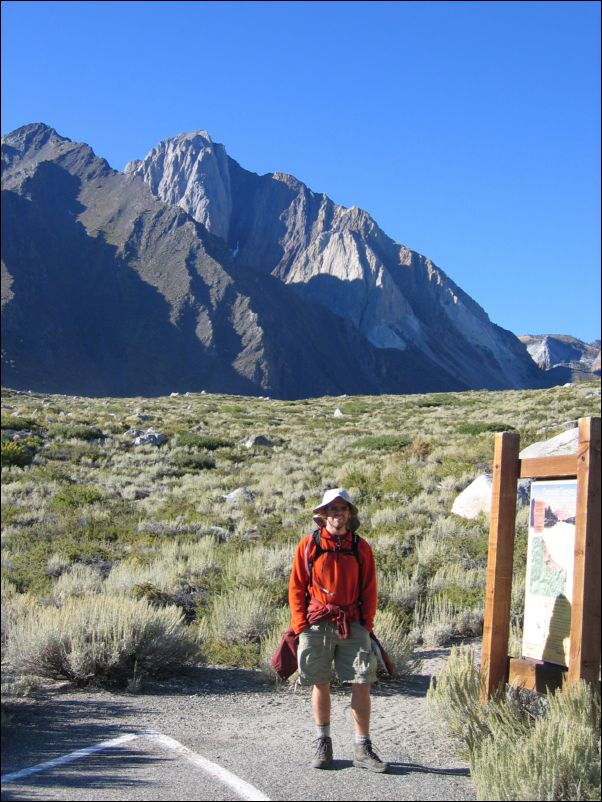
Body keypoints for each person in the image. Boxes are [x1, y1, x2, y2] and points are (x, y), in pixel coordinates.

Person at [288, 488, 389, 773]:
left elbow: (369, 589)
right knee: (320, 681)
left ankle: (362, 746)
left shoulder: (361, 547)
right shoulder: (309, 544)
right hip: (317, 622)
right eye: (332, 509)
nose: (337, 513)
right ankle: (323, 743)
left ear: (349, 513)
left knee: (362, 681)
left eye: (342, 508)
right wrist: (301, 624)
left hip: (352, 623)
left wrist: (366, 625)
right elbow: (297, 587)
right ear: (323, 514)